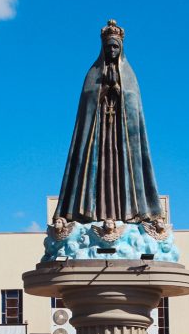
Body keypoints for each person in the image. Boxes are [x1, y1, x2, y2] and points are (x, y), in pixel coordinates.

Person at [54, 19, 164, 224]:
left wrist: (120, 93)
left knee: (122, 174)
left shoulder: (129, 75)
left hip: (122, 140)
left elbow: (134, 104)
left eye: (115, 46)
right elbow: (87, 101)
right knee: (99, 173)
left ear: (121, 48)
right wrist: (102, 92)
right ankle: (92, 213)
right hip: (98, 137)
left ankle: (130, 214)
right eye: (109, 47)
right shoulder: (93, 74)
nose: (112, 50)